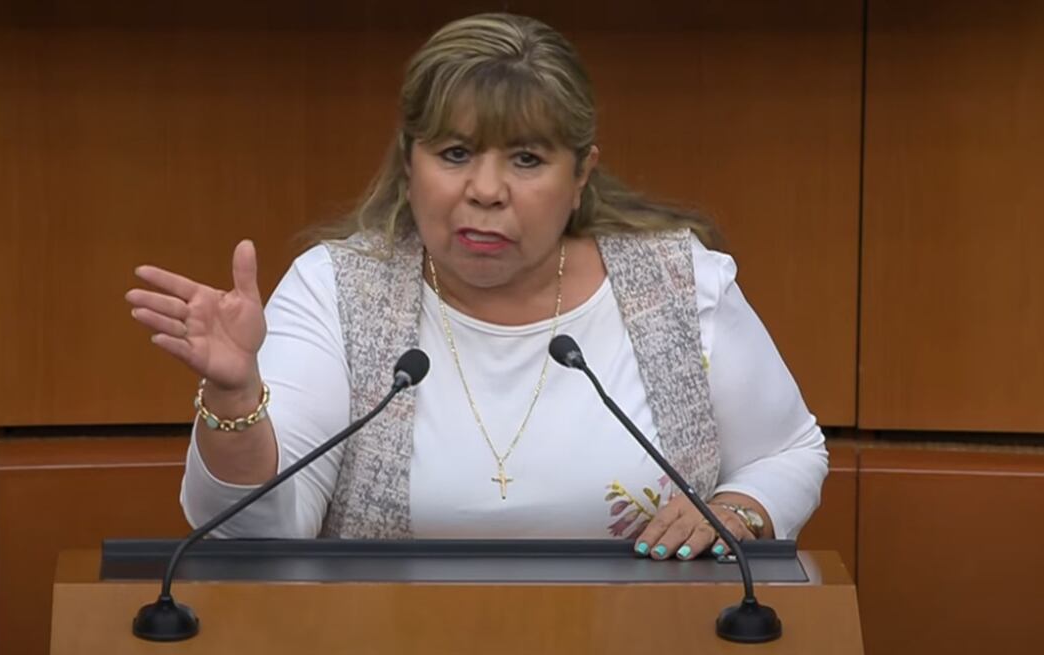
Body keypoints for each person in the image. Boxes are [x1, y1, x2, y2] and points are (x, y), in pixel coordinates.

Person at [125, 13, 826, 561]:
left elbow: (787, 452)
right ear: (409, 165)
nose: (485, 191)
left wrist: (740, 509)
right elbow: (259, 539)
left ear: (580, 175)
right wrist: (235, 398)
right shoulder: (338, 290)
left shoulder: (678, 283)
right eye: (455, 154)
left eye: (526, 158)